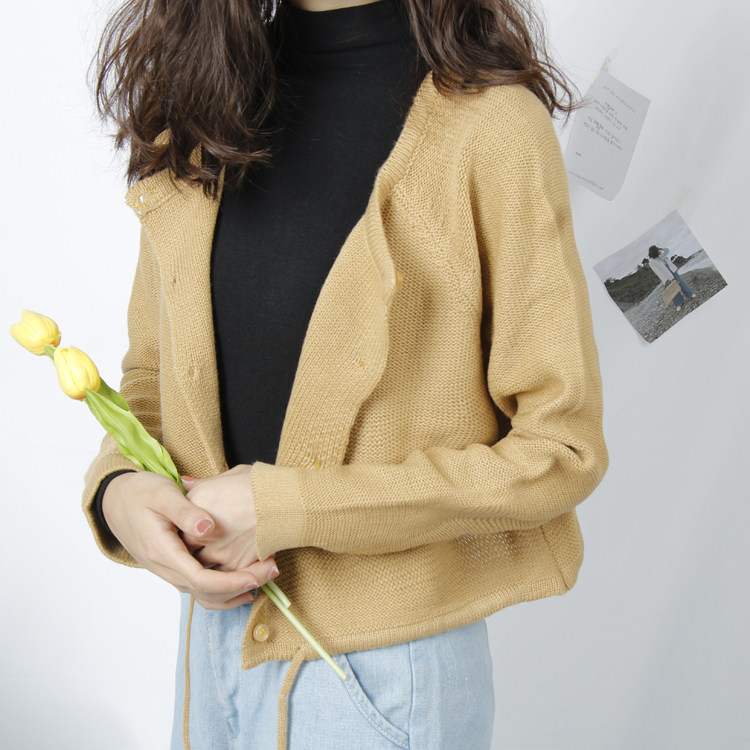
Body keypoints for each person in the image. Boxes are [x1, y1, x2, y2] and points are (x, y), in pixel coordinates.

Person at [83, 1, 609, 748]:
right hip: (210, 651)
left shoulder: (492, 126)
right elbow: (151, 375)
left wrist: (289, 506)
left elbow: (560, 451)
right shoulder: (200, 104)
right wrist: (118, 489)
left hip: (383, 675)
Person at [647, 244, 696, 310]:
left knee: (681, 282)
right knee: (672, 288)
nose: (658, 251)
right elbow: (658, 272)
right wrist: (665, 280)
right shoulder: (652, 262)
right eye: (656, 250)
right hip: (666, 275)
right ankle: (678, 304)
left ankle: (690, 294)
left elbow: (667, 250)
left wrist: (660, 248)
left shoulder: (660, 255)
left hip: (672, 270)